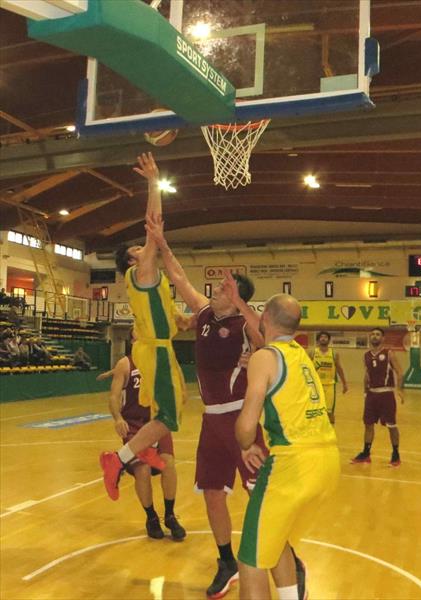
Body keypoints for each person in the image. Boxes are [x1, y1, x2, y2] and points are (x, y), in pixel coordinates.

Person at [146, 212, 268, 598]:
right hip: (211, 423)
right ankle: (226, 561)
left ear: (238, 299)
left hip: (241, 422)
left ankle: (285, 556)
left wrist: (240, 304)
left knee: (262, 494)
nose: (214, 294)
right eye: (216, 290)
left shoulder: (247, 325)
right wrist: (163, 244)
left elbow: (264, 337)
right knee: (213, 493)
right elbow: (180, 277)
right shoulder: (202, 315)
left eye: (223, 292)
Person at [235, 294, 340, 600]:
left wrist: (244, 445)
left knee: (251, 563)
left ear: (265, 316)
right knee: (276, 538)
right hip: (326, 464)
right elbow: (269, 329)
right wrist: (240, 304)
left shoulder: (264, 358)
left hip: (292, 465)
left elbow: (246, 428)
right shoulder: (299, 354)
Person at [99, 152, 187, 501]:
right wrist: (153, 182)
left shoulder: (154, 281)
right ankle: (118, 458)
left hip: (159, 348)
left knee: (169, 413)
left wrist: (182, 318)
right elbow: (154, 222)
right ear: (131, 261)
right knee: (170, 417)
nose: (143, 245)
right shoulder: (142, 272)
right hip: (155, 352)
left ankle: (131, 452)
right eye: (138, 247)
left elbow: (166, 312)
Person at [108, 349, 186, 541]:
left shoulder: (162, 357)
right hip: (134, 424)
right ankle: (151, 517)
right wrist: (118, 418)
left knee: (168, 464)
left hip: (159, 421)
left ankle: (169, 515)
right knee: (142, 470)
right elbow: (113, 396)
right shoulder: (126, 364)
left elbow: (179, 383)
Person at [351, 327, 404, 467]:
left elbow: (399, 371)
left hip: (386, 393)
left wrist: (399, 389)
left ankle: (396, 454)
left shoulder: (389, 353)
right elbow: (367, 375)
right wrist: (364, 392)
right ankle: (366, 453)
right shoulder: (366, 355)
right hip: (371, 394)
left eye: (378, 334)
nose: (375, 336)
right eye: (373, 334)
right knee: (368, 424)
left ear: (383, 338)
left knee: (391, 425)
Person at [309, 331, 348, 424]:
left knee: (330, 412)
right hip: (316, 386)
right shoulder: (312, 353)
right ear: (318, 340)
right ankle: (315, 432)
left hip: (330, 386)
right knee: (314, 411)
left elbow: (339, 369)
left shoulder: (334, 353)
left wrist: (344, 384)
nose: (323, 338)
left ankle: (331, 432)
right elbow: (306, 369)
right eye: (321, 337)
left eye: (325, 337)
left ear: (329, 340)